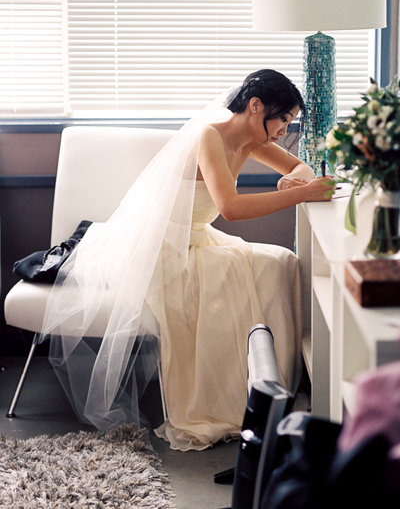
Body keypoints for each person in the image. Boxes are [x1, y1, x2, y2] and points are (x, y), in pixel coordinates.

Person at [42, 69, 334, 451]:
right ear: (256, 106)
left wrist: (293, 179)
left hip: (198, 239)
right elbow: (229, 208)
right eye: (282, 120)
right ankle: (228, 402)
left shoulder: (250, 139)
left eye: (289, 123)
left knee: (282, 262)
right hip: (165, 247)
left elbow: (300, 167)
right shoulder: (210, 135)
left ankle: (272, 390)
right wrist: (302, 194)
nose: (283, 131)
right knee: (240, 277)